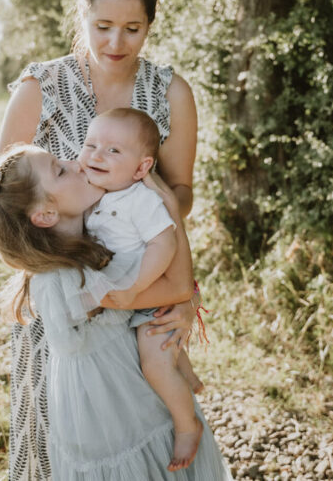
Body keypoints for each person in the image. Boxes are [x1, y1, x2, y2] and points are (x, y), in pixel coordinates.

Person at [0, 0, 200, 479]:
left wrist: (176, 281)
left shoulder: (170, 92)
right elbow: (8, 202)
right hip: (63, 290)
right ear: (82, 17)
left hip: (142, 275)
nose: (116, 42)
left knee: (149, 431)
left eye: (133, 28)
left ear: (150, 24)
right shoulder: (41, 87)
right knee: (56, 438)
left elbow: (180, 191)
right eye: (103, 26)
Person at [0, 145, 233, 480]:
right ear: (46, 215)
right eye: (59, 170)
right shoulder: (70, 282)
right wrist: (170, 210)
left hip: (134, 386)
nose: (76, 163)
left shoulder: (94, 236)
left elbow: (171, 286)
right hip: (115, 411)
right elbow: (179, 287)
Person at [77, 107, 203, 470]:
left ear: (141, 168)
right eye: (91, 145)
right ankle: (187, 374)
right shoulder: (91, 192)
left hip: (147, 294)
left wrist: (136, 288)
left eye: (113, 150)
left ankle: (187, 426)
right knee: (160, 354)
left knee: (154, 364)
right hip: (126, 294)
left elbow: (164, 244)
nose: (97, 155)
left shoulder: (141, 200)